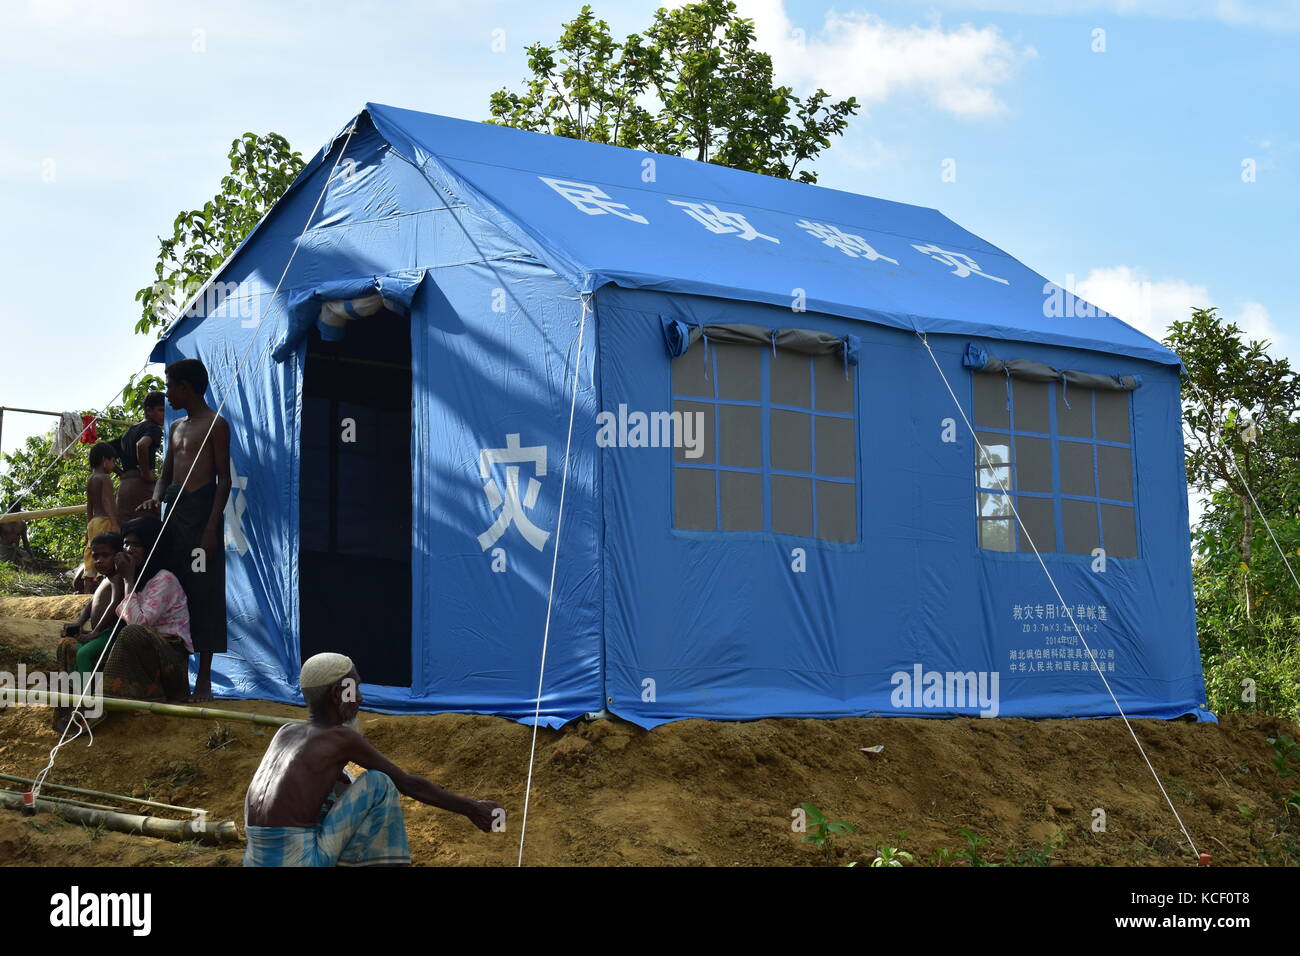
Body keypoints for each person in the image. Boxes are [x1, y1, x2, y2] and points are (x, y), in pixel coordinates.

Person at [243, 653, 501, 867]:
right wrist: (471, 808)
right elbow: (409, 784)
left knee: (343, 782)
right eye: (354, 689)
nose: (360, 698)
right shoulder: (340, 738)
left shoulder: (285, 732)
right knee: (379, 783)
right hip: (299, 861)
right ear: (338, 693)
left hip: (253, 859)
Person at [139, 359, 229, 701]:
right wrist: (156, 499)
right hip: (173, 517)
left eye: (170, 386)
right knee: (173, 590)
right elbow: (164, 474)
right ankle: (174, 677)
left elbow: (224, 480)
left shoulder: (216, 424)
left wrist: (210, 529)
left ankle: (204, 678)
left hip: (201, 515)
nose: (167, 394)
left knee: (203, 592)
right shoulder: (175, 427)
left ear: (186, 387)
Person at [98, 516, 192, 704]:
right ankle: (81, 703)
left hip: (169, 656)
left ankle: (109, 701)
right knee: (71, 645)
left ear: (151, 547)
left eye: (137, 544)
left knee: (132, 632)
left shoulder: (164, 579)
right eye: (126, 543)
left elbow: (137, 624)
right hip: (144, 652)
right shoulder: (136, 576)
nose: (129, 550)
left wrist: (127, 580)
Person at [52, 531, 126, 731]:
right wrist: (79, 622)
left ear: (118, 555)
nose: (99, 560)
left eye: (105, 555)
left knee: (84, 653)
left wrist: (95, 632)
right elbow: (90, 606)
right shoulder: (104, 578)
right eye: (96, 556)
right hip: (99, 633)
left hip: (110, 632)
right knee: (71, 646)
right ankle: (76, 690)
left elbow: (114, 605)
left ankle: (89, 703)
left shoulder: (118, 578)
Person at [114, 391, 165, 517]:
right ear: (149, 410)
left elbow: (103, 450)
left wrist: (120, 473)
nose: (164, 415)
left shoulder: (128, 432)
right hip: (142, 485)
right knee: (149, 527)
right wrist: (146, 473)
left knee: (127, 530)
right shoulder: (154, 428)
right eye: (160, 410)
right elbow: (141, 445)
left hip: (124, 487)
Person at [83, 443, 119, 594]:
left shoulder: (91, 479)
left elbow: (89, 506)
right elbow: (107, 502)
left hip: (93, 523)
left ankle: (87, 593)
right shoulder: (105, 478)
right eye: (113, 461)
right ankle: (103, 592)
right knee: (106, 555)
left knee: (92, 555)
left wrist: (88, 527)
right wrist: (115, 523)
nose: (114, 465)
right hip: (104, 521)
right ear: (105, 460)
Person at [0, 500, 33, 566]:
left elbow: (25, 541)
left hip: (16, 550)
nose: (13, 513)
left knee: (28, 560)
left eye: (16, 511)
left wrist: (31, 555)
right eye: (12, 511)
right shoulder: (2, 521)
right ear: (9, 509)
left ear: (19, 510)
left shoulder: (22, 524)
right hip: (3, 551)